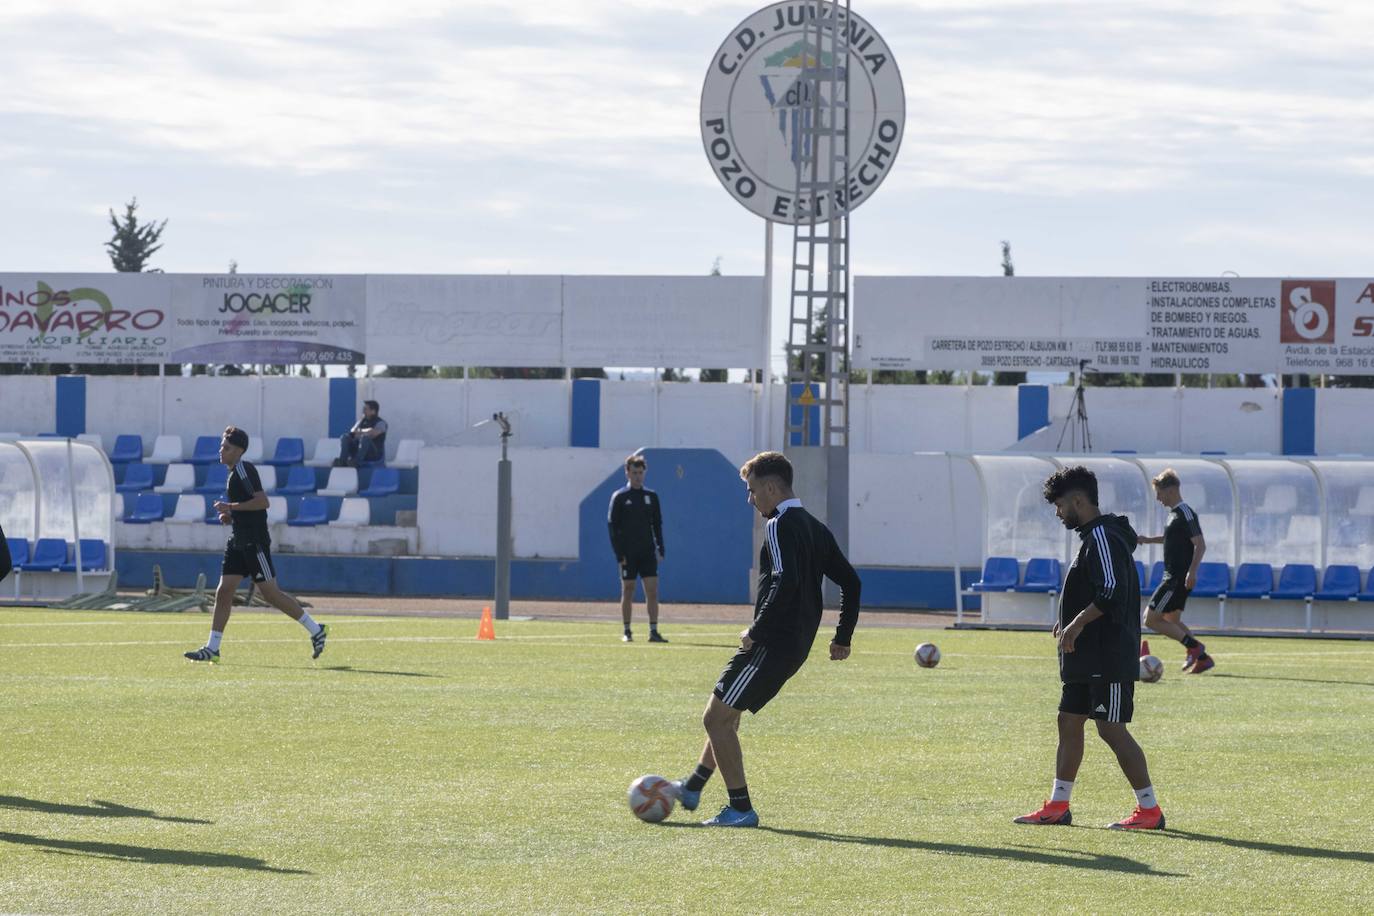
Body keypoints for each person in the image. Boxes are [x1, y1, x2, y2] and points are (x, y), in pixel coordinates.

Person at [671, 451, 861, 827]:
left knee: (715, 718)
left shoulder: (779, 524)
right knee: (728, 714)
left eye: (753, 489)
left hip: (771, 643)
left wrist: (755, 631)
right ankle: (693, 787)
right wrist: (842, 637)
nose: (750, 499)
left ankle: (740, 809)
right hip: (794, 646)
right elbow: (851, 582)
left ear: (772, 488)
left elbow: (784, 581)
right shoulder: (816, 528)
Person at [1015, 465, 1165, 830]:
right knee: (1068, 721)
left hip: (1107, 654)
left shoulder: (1102, 536)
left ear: (1079, 501)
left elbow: (1111, 592)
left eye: (1060, 505)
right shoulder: (1095, 537)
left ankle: (1149, 810)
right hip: (1086, 655)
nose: (1057, 512)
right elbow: (1096, 588)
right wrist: (1068, 618)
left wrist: (1078, 622)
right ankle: (1058, 805)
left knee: (1111, 729)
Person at [184, 426, 328, 663]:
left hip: (254, 542)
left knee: (271, 594)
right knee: (224, 591)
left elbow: (262, 502)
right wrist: (231, 516)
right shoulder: (233, 473)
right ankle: (212, 648)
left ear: (239, 450)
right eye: (222, 446)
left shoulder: (244, 469)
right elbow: (248, 508)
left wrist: (230, 507)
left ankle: (316, 629)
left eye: (226, 447)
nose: (221, 450)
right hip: (238, 540)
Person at [1137, 469, 1214, 673]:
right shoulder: (1174, 515)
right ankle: (1203, 659)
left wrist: (1192, 572)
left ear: (1170, 490)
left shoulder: (1185, 512)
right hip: (1174, 577)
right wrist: (1147, 540)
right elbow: (1170, 539)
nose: (1158, 498)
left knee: (1150, 619)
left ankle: (1194, 647)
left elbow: (1200, 544)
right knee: (1172, 620)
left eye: (1159, 493)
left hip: (1176, 579)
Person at [607, 454, 666, 643]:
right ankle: (627, 631)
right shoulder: (620, 497)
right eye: (634, 473)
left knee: (652, 591)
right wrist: (619, 553)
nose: (638, 476)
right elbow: (613, 527)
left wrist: (660, 548)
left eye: (640, 472)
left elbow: (657, 524)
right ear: (627, 473)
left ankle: (654, 631)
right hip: (628, 553)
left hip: (647, 552)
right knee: (628, 589)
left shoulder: (651, 496)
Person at [337, 400, 387, 467]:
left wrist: (361, 433)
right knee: (345, 437)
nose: (363, 411)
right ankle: (342, 461)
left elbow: (374, 433)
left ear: (373, 411)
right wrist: (366, 431)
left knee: (365, 438)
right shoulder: (361, 421)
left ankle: (356, 462)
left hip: (373, 454)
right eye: (363, 409)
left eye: (366, 409)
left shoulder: (381, 423)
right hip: (358, 450)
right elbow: (352, 432)